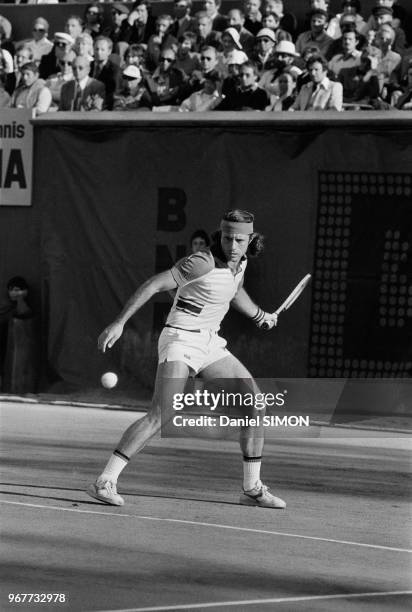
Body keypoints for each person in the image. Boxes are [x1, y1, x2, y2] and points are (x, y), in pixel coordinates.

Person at [87, 209, 286, 510]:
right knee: (161, 413)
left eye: (240, 240)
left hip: (210, 342)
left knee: (254, 403)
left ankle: (252, 488)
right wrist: (120, 322)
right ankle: (105, 481)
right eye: (228, 238)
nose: (233, 246)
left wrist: (260, 316)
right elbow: (154, 284)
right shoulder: (201, 262)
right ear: (221, 235)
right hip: (181, 338)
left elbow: (235, 291)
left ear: (250, 240)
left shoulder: (241, 262)